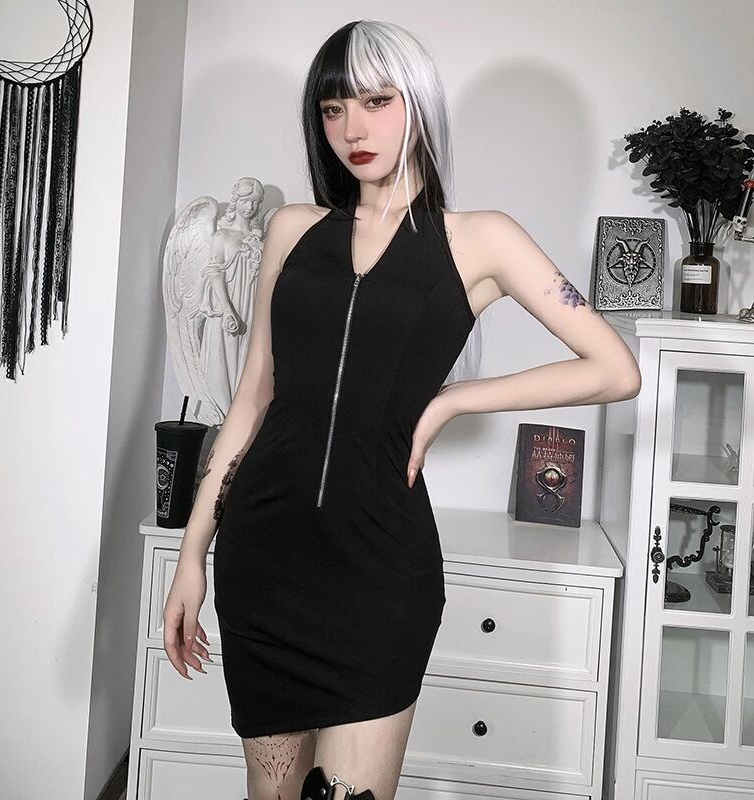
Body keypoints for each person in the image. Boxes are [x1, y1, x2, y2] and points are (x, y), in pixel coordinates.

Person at [162, 18, 642, 800]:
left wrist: (457, 399)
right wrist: (191, 553)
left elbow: (615, 368)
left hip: (379, 575)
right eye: (333, 109)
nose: (352, 128)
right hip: (263, 560)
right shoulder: (292, 230)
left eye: (376, 101)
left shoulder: (481, 240)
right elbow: (252, 398)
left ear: (417, 103)